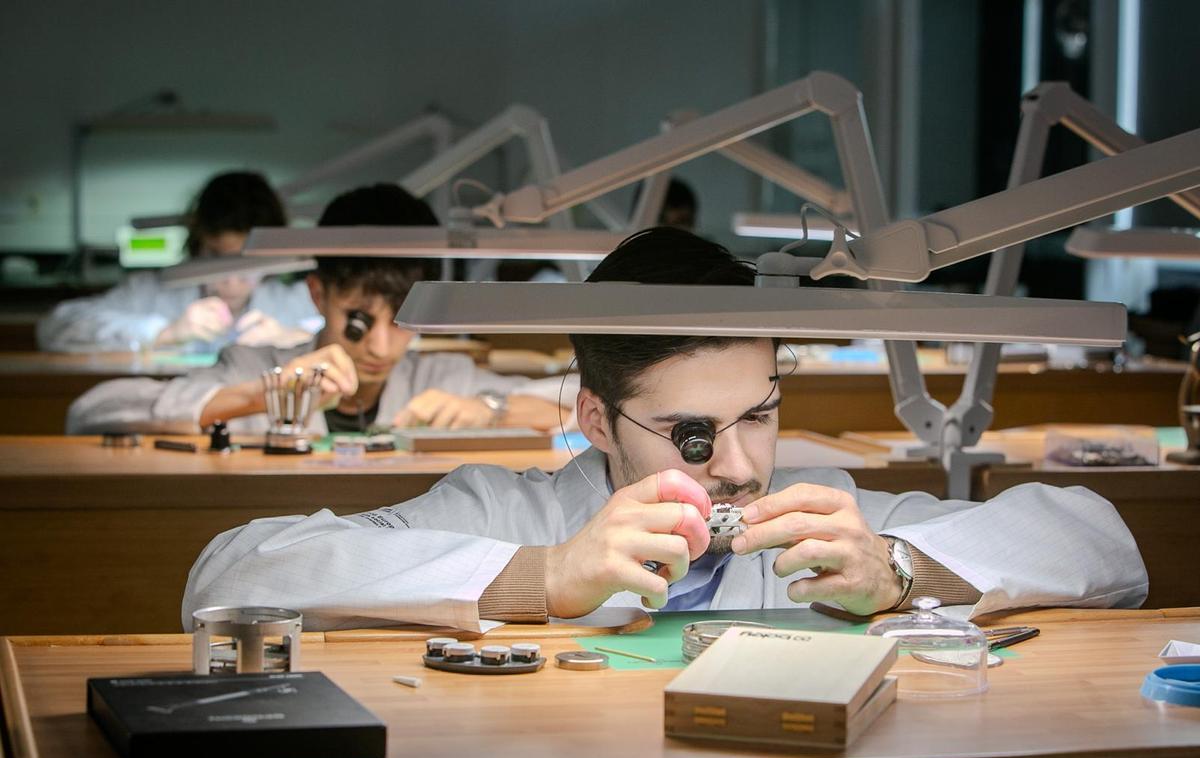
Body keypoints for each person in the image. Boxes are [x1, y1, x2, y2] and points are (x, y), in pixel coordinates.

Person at [181, 227, 1147, 632]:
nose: (737, 466)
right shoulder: (503, 514)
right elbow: (228, 575)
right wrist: (544, 579)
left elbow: (1103, 541)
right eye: (692, 433)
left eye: (760, 416)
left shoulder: (822, 518)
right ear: (595, 419)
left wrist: (897, 572)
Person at [67, 184, 575, 435]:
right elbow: (89, 412)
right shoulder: (253, 367)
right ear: (317, 295)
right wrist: (258, 396)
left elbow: (585, 403)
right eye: (358, 320)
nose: (380, 346)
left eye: (401, 322)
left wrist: (490, 410)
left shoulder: (444, 377)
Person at [37, 171, 319, 353]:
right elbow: (56, 327)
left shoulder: (294, 302)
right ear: (199, 243)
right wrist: (164, 332)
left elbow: (342, 339)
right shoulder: (154, 293)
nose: (232, 279)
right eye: (217, 258)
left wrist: (294, 337)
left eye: (246, 263)